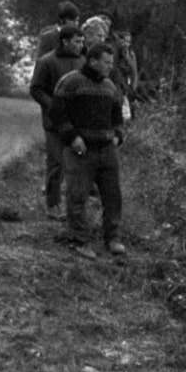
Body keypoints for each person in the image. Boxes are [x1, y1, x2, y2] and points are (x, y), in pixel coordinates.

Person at [51, 42, 127, 258]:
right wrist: (72, 137)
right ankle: (78, 240)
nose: (110, 67)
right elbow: (57, 114)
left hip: (106, 150)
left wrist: (118, 136)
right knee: (77, 195)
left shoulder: (110, 87)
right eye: (106, 62)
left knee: (113, 196)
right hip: (80, 150)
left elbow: (118, 118)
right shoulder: (70, 82)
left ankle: (112, 238)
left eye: (112, 63)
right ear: (93, 61)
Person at [28, 24, 86, 219]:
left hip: (77, 122)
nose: (80, 45)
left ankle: (75, 207)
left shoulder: (83, 62)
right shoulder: (47, 61)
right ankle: (53, 205)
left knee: (78, 165)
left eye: (82, 41)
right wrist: (53, 106)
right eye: (77, 41)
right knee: (56, 164)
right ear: (65, 41)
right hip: (53, 123)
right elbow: (36, 89)